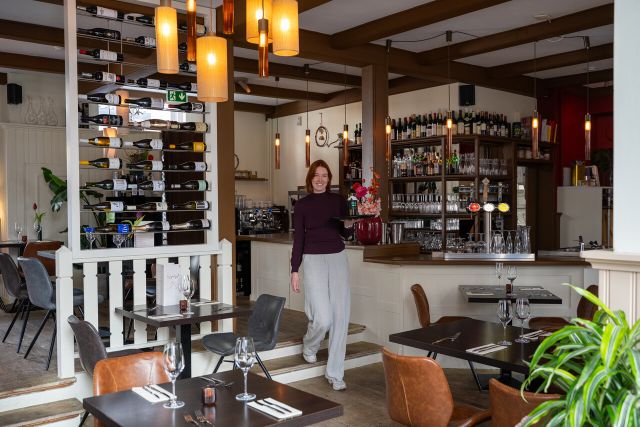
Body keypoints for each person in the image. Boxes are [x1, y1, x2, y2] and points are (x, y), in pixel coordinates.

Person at [290, 159, 354, 391]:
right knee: (323, 318)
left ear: (329, 179)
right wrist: (294, 270)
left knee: (340, 318)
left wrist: (349, 225)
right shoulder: (302, 205)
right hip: (312, 259)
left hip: (337, 257)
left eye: (324, 176)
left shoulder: (339, 201)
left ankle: (335, 373)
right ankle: (310, 345)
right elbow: (298, 239)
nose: (320, 179)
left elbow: (346, 234)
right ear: (310, 178)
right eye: (316, 175)